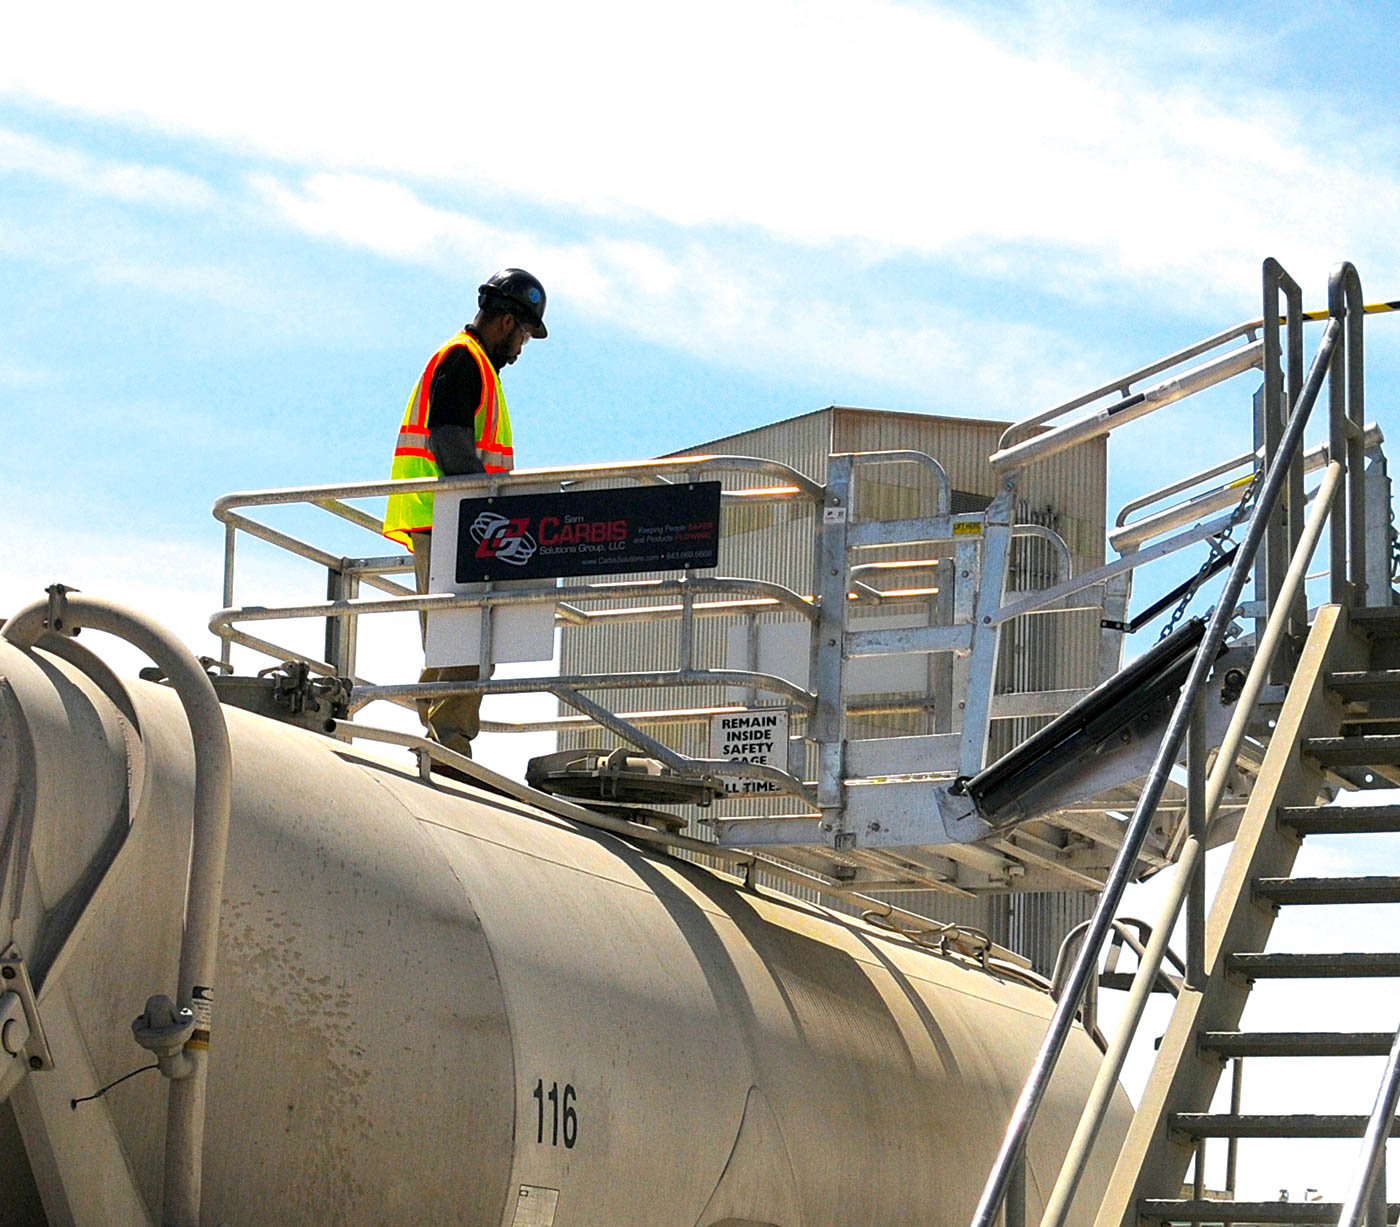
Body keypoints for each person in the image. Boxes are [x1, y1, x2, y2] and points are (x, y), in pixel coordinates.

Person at [383, 268, 548, 758]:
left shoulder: (469, 364)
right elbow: (450, 441)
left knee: (459, 639)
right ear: (505, 322)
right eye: (523, 337)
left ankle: (441, 735)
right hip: (457, 522)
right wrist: (486, 516)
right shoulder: (464, 360)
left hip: (457, 520)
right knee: (464, 640)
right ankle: (449, 745)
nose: (519, 352)